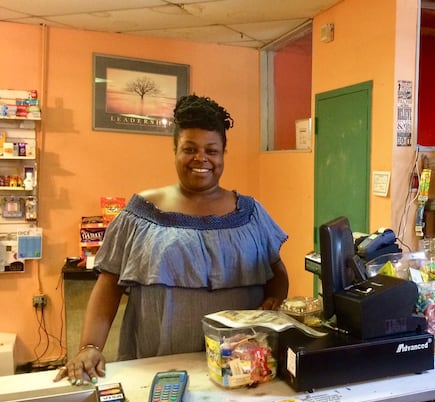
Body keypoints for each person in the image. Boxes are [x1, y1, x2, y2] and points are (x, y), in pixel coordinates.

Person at [54, 94, 289, 385]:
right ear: (174, 150)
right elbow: (108, 284)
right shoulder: (141, 213)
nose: (201, 158)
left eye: (211, 150)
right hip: (158, 367)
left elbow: (276, 273)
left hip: (240, 369)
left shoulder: (250, 214)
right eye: (189, 149)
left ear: (223, 153)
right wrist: (90, 347)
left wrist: (274, 302)